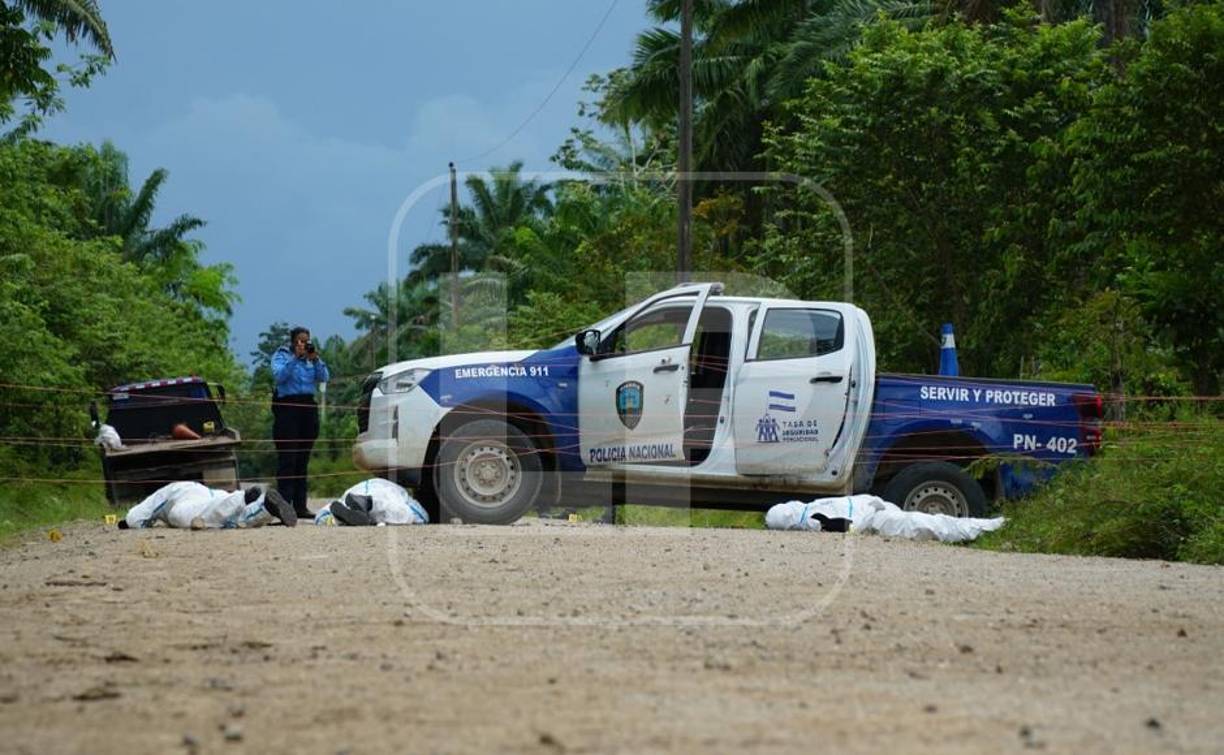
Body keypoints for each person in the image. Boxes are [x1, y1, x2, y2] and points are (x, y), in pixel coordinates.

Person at [271, 326, 329, 518]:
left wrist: (315, 359)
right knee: (288, 458)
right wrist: (295, 358)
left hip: (307, 408)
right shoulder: (282, 356)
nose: (304, 344)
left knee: (302, 460)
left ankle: (300, 506)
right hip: (287, 409)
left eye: (307, 340)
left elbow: (324, 378)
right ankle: (284, 505)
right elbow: (279, 377)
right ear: (293, 341)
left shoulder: (311, 360)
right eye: (301, 341)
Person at [118, 482, 297, 529]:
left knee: (182, 515)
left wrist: (127, 523)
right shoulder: (194, 486)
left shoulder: (165, 492)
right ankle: (259, 504)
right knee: (225, 517)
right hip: (212, 494)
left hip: (185, 502)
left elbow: (135, 518)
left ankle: (251, 502)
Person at [314, 478, 429, 526]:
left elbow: (320, 516)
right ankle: (370, 504)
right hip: (386, 493)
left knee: (323, 516)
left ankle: (338, 520)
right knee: (410, 514)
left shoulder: (354, 490)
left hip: (354, 493)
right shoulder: (399, 491)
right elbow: (421, 515)